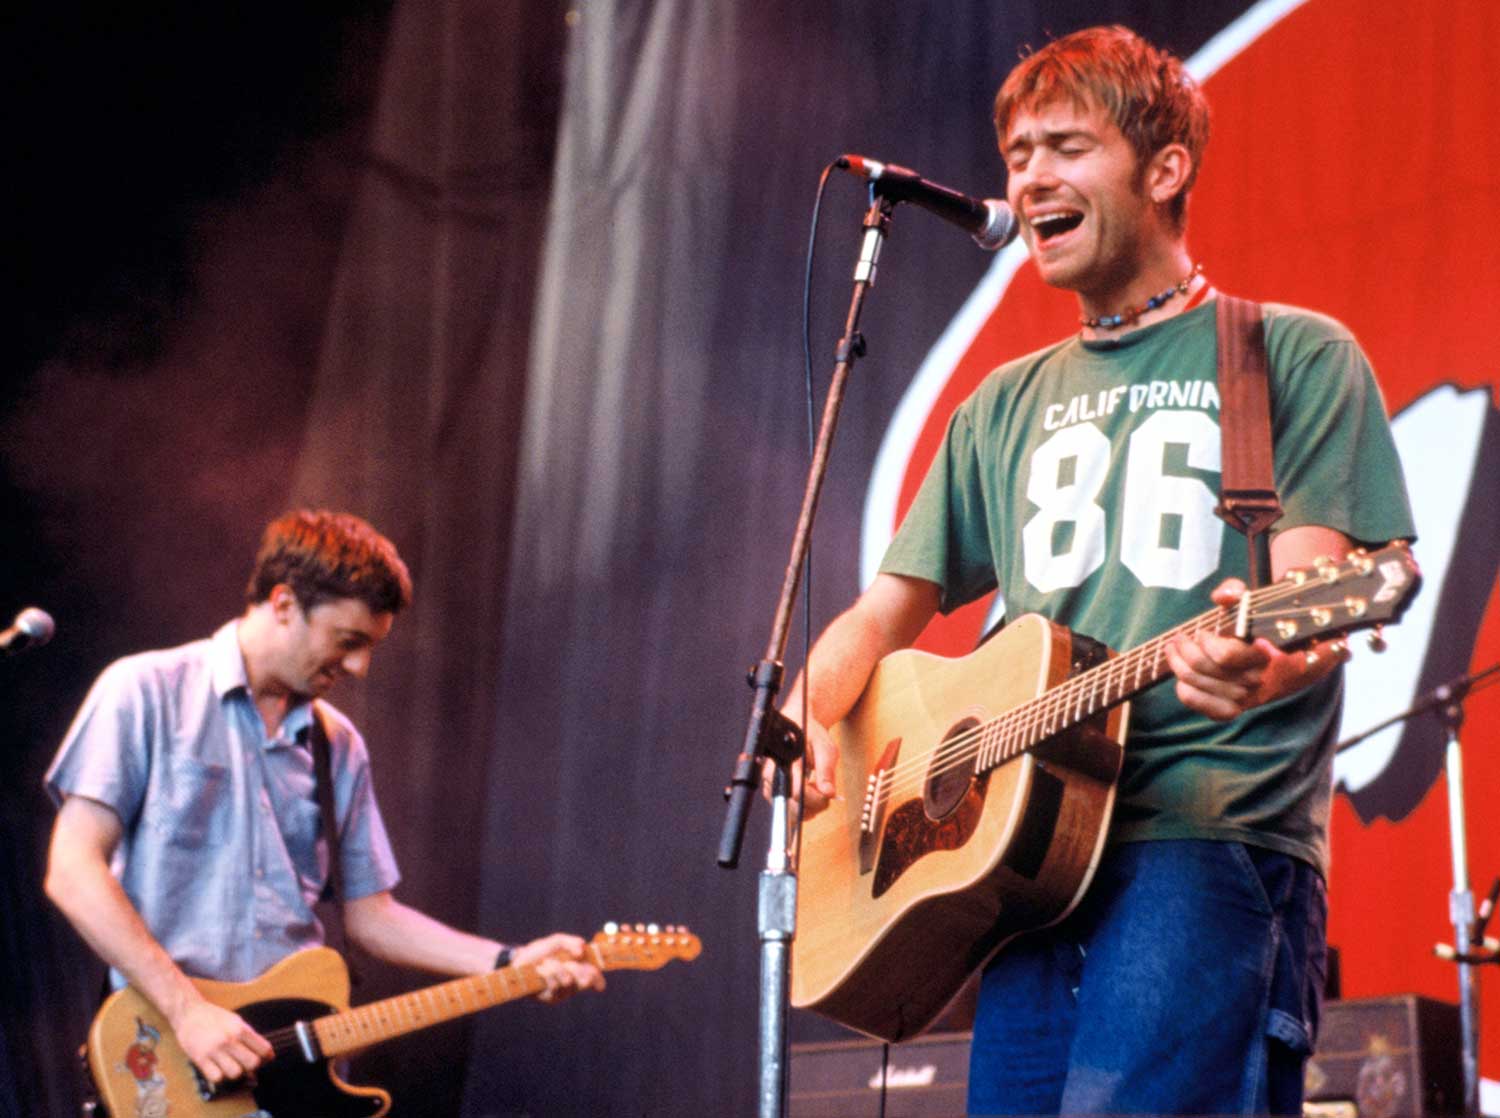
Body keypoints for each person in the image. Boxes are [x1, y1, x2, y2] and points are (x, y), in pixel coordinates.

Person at [779, 25, 1416, 1117]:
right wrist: (806, 715)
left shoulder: (1291, 354)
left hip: (1203, 842)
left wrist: (1261, 665)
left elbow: (1318, 603)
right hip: (1026, 869)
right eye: (1017, 155)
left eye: (1066, 148)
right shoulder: (999, 404)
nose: (1030, 177)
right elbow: (884, 614)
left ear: (1164, 170)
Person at [44, 509, 604, 1088]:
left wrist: (510, 962)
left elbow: (373, 918)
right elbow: (72, 871)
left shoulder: (338, 745)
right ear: (284, 603)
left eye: (370, 647)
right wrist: (187, 1009)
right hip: (167, 1055)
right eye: (348, 641)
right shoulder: (145, 691)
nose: (359, 667)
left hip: (296, 1069)